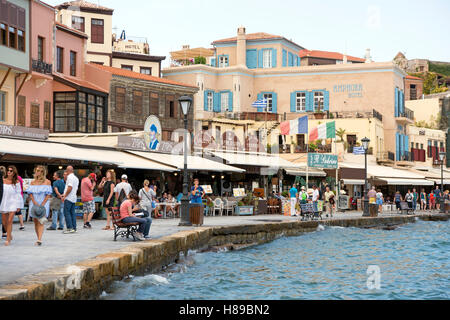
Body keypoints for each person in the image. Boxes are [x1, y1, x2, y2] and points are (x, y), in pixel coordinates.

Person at [27, 166, 52, 246]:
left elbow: (48, 194)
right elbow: (30, 193)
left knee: (41, 221)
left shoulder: (47, 182)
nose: (38, 172)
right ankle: (38, 237)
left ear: (43, 172)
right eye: (37, 170)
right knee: (35, 222)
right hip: (34, 203)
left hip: (43, 203)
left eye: (40, 171)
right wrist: (34, 202)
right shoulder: (32, 182)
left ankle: (39, 239)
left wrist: (43, 204)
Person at [0, 166, 22, 246]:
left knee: (9, 221)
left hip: (13, 202)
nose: (9, 172)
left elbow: (19, 194)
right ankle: (9, 234)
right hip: (4, 202)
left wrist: (19, 205)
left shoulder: (16, 182)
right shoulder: (2, 180)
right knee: (4, 222)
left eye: (11, 171)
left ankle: (8, 239)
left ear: (14, 173)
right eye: (8, 170)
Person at [61, 166, 79, 234]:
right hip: (73, 197)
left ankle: (70, 228)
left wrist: (64, 195)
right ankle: (74, 227)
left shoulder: (70, 177)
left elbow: (70, 187)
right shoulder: (76, 178)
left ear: (68, 171)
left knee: (67, 212)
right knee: (72, 213)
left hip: (68, 197)